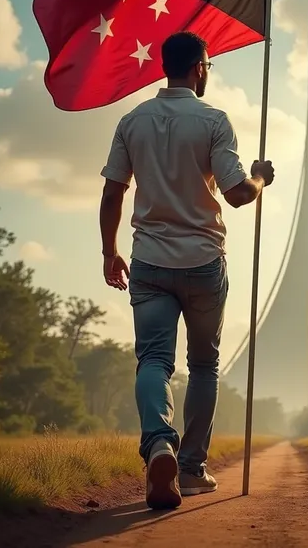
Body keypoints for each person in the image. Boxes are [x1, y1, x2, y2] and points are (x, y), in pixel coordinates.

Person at [99, 31, 275, 510]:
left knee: (154, 361)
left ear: (165, 66)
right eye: (209, 67)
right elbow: (238, 194)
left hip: (150, 261)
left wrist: (109, 251)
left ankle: (159, 443)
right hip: (202, 262)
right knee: (203, 365)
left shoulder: (132, 121)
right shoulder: (214, 120)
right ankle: (193, 468)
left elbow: (113, 193)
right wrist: (261, 176)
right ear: (199, 67)